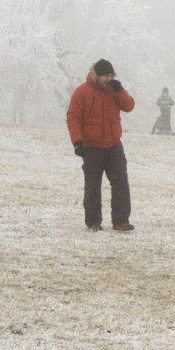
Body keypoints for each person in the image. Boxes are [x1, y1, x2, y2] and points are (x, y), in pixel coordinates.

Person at [66, 59, 136, 232]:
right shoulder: (81, 92)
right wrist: (77, 142)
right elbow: (73, 117)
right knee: (92, 186)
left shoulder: (114, 91)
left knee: (120, 182)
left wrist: (121, 91)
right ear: (96, 75)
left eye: (111, 75)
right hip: (91, 147)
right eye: (106, 75)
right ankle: (93, 222)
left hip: (114, 145)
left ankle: (121, 221)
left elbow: (129, 107)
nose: (109, 79)